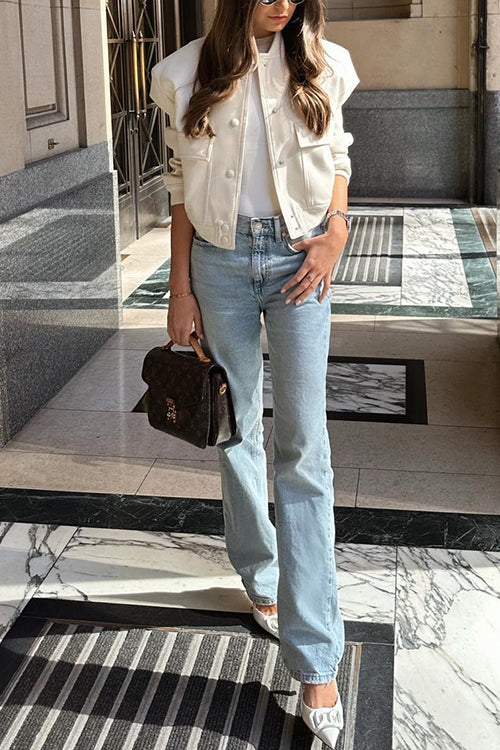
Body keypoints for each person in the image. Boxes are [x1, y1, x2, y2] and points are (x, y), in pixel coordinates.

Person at [150, 1, 360, 746]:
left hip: (302, 261)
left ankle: (316, 659)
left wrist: (335, 236)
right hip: (220, 266)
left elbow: (338, 162)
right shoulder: (182, 73)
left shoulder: (326, 66)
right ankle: (260, 574)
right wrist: (179, 291)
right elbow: (180, 189)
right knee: (236, 433)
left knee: (304, 448)